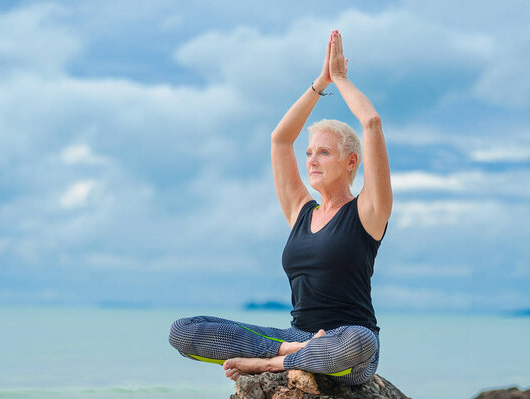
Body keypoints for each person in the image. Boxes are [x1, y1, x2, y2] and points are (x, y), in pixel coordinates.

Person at [168, 30, 392, 386]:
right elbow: (280, 138)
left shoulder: (368, 212)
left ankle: (269, 364)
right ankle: (285, 354)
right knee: (183, 330)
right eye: (309, 153)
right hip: (298, 338)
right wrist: (320, 84)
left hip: (345, 345)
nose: (312, 160)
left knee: (359, 342)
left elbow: (372, 123)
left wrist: (341, 79)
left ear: (352, 162)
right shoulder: (301, 211)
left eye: (324, 152)